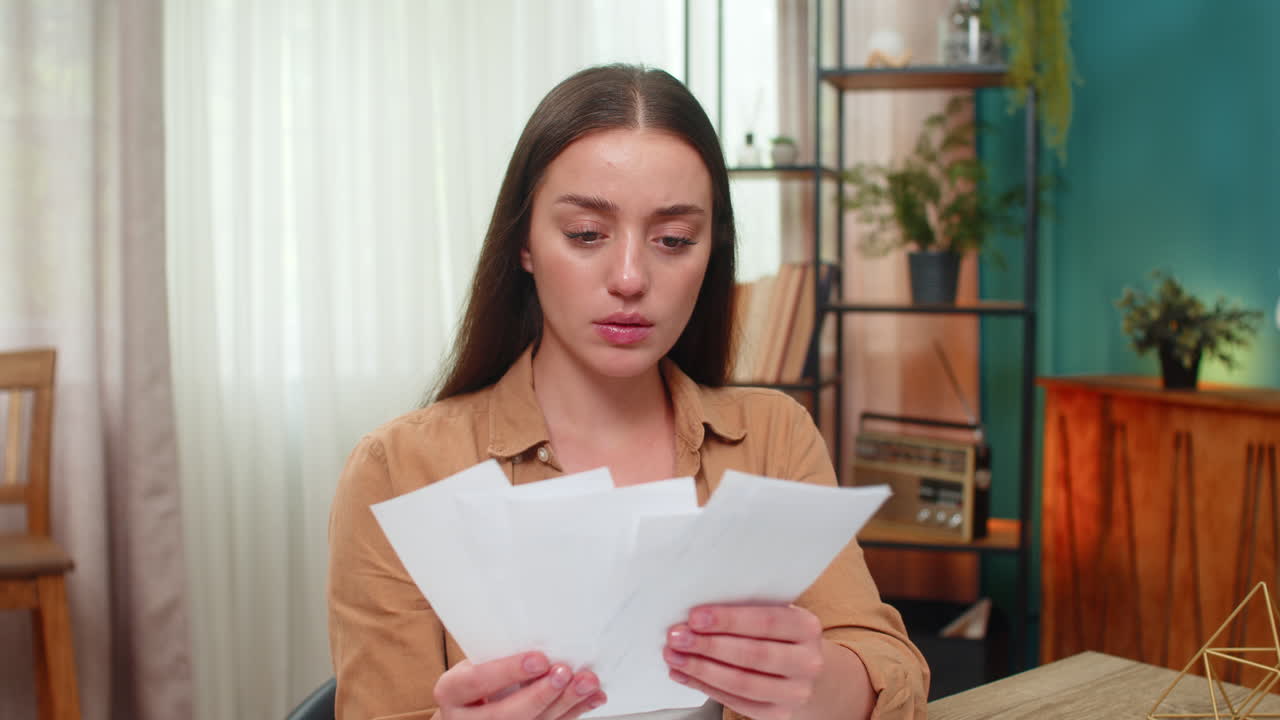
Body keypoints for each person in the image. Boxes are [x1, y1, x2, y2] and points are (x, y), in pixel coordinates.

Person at [328, 64, 929, 720]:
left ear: (711, 252)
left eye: (673, 240)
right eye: (587, 234)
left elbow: (887, 660)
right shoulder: (400, 471)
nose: (629, 277)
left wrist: (824, 688)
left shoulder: (772, 435)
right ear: (524, 242)